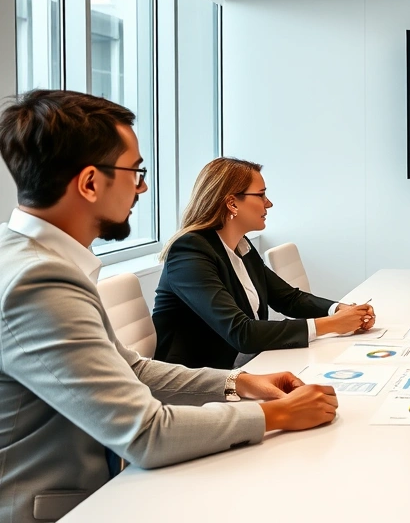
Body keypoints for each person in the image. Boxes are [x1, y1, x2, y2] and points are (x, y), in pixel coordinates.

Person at [0, 90, 338, 523]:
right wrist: (277, 414)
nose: (142, 187)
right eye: (135, 172)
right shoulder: (38, 281)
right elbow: (146, 434)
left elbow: (132, 368)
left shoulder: (40, 262)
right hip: (65, 508)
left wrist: (238, 383)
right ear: (89, 183)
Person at [152, 157, 373, 369]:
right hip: (199, 379)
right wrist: (331, 325)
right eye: (261, 195)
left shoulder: (240, 244)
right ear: (231, 203)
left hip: (243, 364)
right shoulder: (189, 251)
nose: (269, 203)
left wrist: (338, 309)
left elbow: (288, 299)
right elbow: (242, 333)